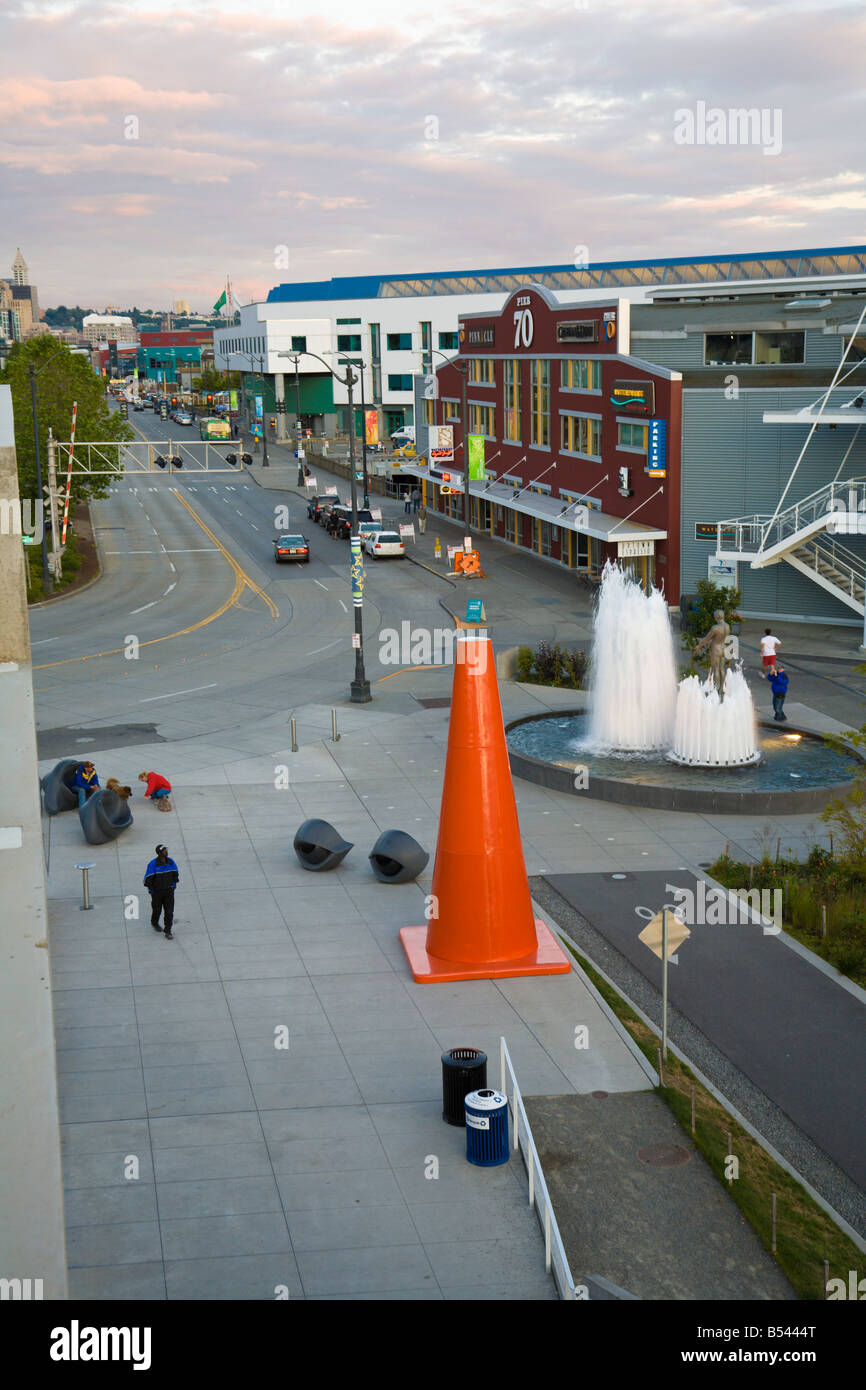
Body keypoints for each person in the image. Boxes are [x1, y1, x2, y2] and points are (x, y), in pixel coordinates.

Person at [143, 844, 180, 939]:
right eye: (164, 851)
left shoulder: (171, 862)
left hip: (169, 892)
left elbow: (175, 875)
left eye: (166, 850)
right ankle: (154, 922)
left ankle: (168, 931)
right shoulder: (153, 864)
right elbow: (147, 879)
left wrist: (173, 886)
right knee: (157, 910)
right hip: (157, 893)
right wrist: (152, 890)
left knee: (169, 912)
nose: (166, 852)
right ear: (159, 853)